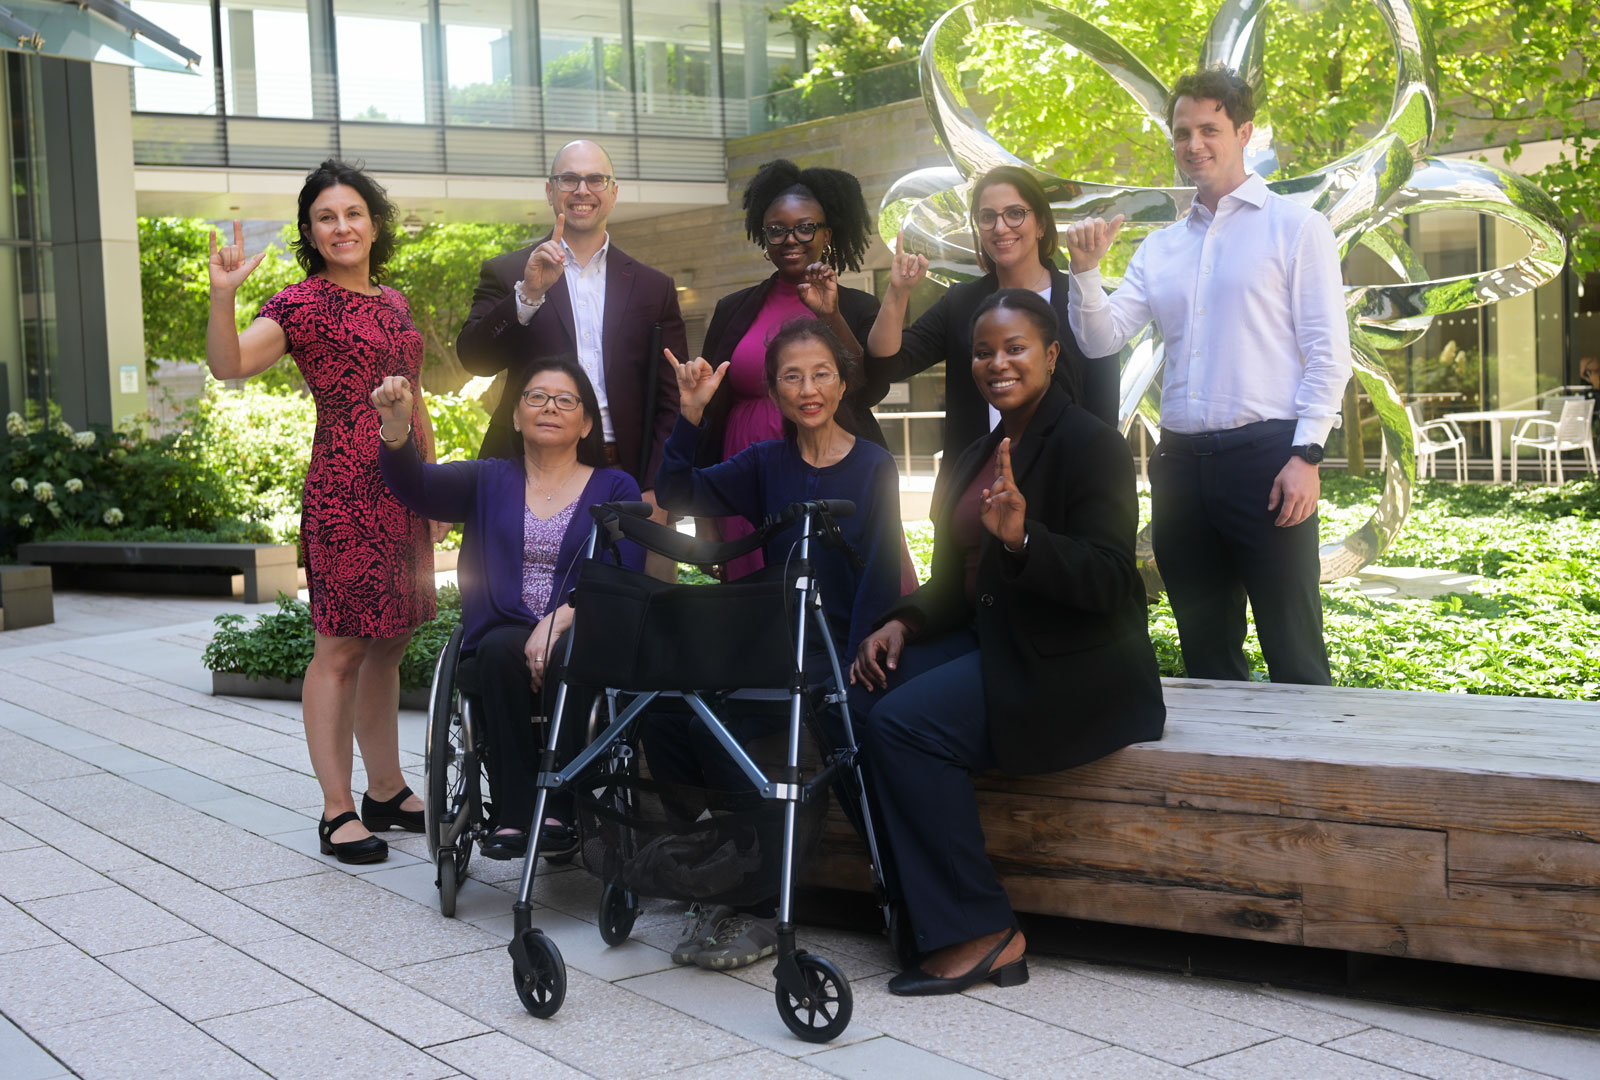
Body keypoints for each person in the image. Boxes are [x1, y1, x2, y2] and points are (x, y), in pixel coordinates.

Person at [850, 290, 1165, 996]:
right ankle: (914, 906)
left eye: (1015, 348)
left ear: (1051, 354)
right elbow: (951, 581)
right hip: (991, 639)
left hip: (1070, 665)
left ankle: (984, 930)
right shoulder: (973, 454)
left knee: (904, 726)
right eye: (984, 351)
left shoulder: (1091, 445)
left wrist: (1026, 540)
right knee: (855, 702)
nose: (997, 363)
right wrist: (903, 622)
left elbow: (1117, 584)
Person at [1065, 66, 1352, 686]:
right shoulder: (1160, 248)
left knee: (1294, 643)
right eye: (1181, 133)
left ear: (1244, 131)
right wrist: (1085, 271)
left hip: (1268, 461)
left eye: (1209, 129)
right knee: (1204, 651)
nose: (1193, 145)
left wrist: (1307, 455)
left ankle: (1308, 781)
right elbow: (1100, 339)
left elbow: (1329, 351)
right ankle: (1228, 782)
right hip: (1181, 467)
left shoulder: (1297, 228)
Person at [650, 316, 907, 971]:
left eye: (821, 372)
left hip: (839, 648)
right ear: (774, 392)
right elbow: (678, 492)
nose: (808, 387)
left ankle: (781, 907)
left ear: (844, 380)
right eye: (792, 376)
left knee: (815, 731)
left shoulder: (875, 464)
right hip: (771, 643)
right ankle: (732, 883)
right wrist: (690, 415)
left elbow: (879, 572)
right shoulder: (766, 462)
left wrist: (859, 658)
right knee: (700, 725)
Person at [206, 160, 442, 864]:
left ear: (374, 223)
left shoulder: (395, 303)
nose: (342, 227)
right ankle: (338, 810)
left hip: (405, 487)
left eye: (353, 214)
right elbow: (230, 365)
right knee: (340, 647)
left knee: (392, 639)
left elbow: (415, 395)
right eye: (326, 218)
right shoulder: (298, 305)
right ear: (311, 232)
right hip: (345, 492)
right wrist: (222, 297)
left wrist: (432, 489)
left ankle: (387, 789)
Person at [372, 358, 644, 860]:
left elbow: (625, 570)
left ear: (585, 423)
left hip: (582, 629)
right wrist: (395, 429)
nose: (549, 408)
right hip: (501, 634)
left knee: (574, 653)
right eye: (536, 397)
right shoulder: (488, 479)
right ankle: (515, 815)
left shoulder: (615, 488)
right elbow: (417, 486)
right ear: (516, 416)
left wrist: (561, 618)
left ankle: (561, 808)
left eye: (566, 400)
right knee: (498, 652)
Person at [455, 139, 686, 581]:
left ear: (613, 192)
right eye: (569, 179)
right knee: (528, 610)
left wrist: (658, 485)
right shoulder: (509, 273)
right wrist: (529, 295)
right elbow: (474, 359)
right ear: (550, 191)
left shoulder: (654, 286)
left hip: (628, 475)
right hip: (530, 471)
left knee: (639, 616)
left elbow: (671, 396)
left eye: (596, 179)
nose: (583, 190)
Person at [691, 159, 890, 578]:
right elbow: (710, 408)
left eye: (805, 227)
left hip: (832, 467)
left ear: (827, 234)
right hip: (745, 469)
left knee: (835, 584)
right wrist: (706, 512)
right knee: (756, 601)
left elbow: (867, 388)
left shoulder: (856, 306)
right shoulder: (733, 309)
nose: (790, 240)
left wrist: (831, 315)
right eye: (776, 230)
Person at [866, 165, 1120, 463]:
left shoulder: (1084, 298)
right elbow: (887, 365)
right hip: (976, 486)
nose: (1000, 228)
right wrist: (897, 293)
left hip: (1065, 485)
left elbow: (1104, 411)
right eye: (988, 217)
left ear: (1040, 225)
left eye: (1015, 213)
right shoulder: (961, 302)